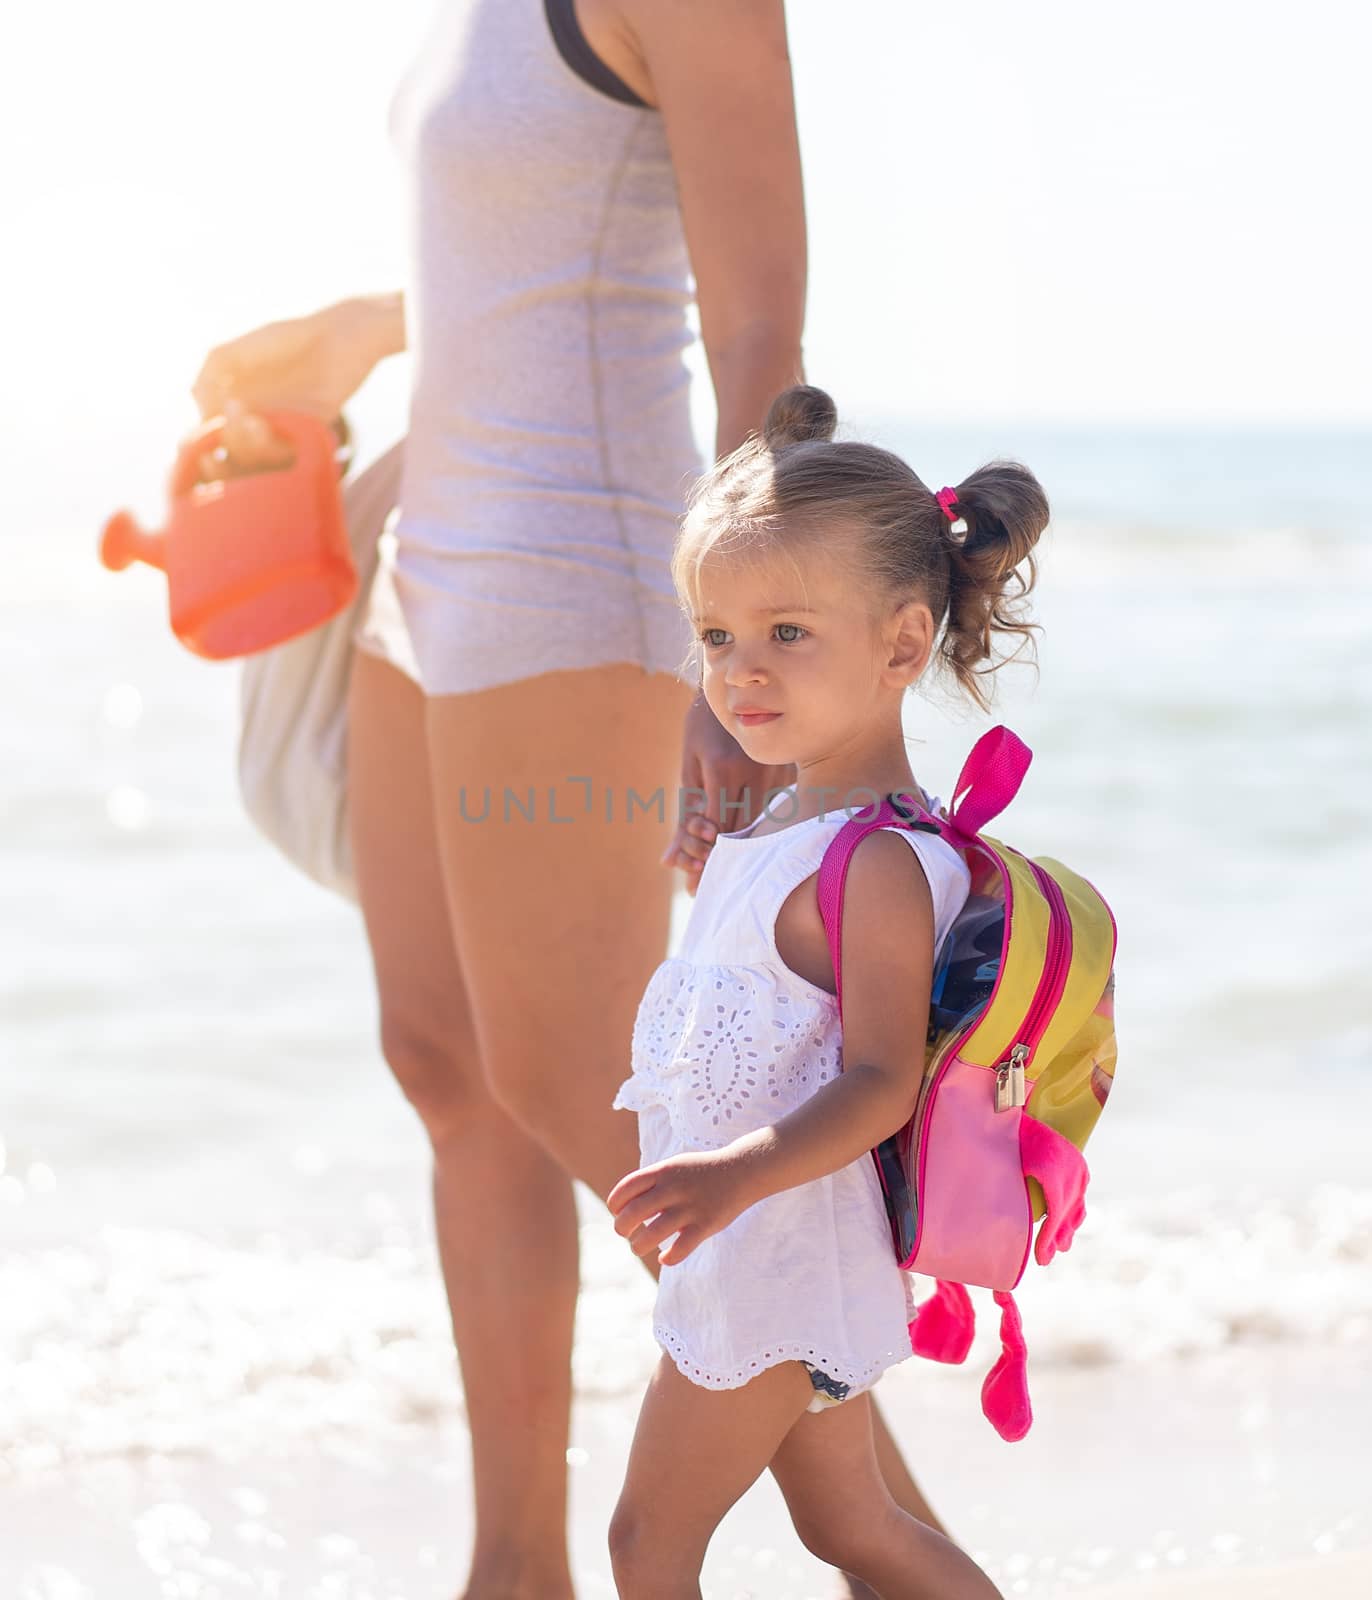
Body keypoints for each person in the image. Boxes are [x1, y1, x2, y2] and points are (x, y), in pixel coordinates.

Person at [191, 3, 949, 1593]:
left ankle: (899, 1546)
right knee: (450, 1068)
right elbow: (532, 238)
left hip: (580, 574)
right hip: (428, 556)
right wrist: (370, 325)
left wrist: (721, 655)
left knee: (595, 1096)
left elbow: (757, 331)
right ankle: (512, 1573)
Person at [607, 381, 1049, 1597]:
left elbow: (878, 1084)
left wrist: (734, 1172)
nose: (741, 672)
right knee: (852, 1531)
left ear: (902, 641)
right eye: (715, 637)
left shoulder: (879, 863)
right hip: (769, 1248)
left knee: (646, 1545)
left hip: (777, 1250)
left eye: (786, 633)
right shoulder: (791, 828)